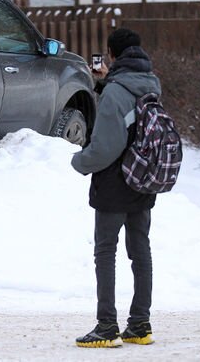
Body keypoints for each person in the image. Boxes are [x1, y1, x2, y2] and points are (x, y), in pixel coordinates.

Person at [71, 28, 160, 348]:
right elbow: (130, 120)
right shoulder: (150, 82)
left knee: (105, 252)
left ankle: (107, 326)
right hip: (144, 178)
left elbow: (107, 145)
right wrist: (106, 82)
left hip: (114, 180)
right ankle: (140, 325)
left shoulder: (116, 91)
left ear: (111, 54)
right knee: (140, 251)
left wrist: (80, 161)